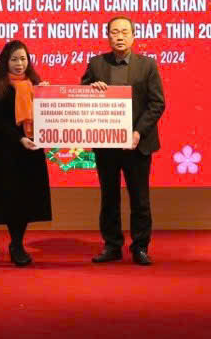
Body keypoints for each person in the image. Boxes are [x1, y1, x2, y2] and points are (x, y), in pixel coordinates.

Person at [81, 16, 165, 265]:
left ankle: (140, 247)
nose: (119, 36)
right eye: (114, 32)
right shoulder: (96, 64)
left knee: (140, 198)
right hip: (106, 144)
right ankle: (112, 245)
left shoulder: (147, 65)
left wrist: (138, 132)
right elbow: (80, 95)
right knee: (109, 198)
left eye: (124, 32)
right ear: (108, 36)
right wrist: (90, 90)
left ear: (133, 36)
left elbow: (157, 103)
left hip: (137, 143)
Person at [0, 40, 52, 266]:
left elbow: (47, 117)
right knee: (12, 200)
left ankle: (18, 242)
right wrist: (19, 138)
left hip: (32, 152)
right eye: (14, 59)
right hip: (9, 152)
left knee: (27, 200)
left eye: (23, 59)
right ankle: (15, 244)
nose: (19, 63)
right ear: (5, 61)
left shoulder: (35, 84)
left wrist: (48, 95)